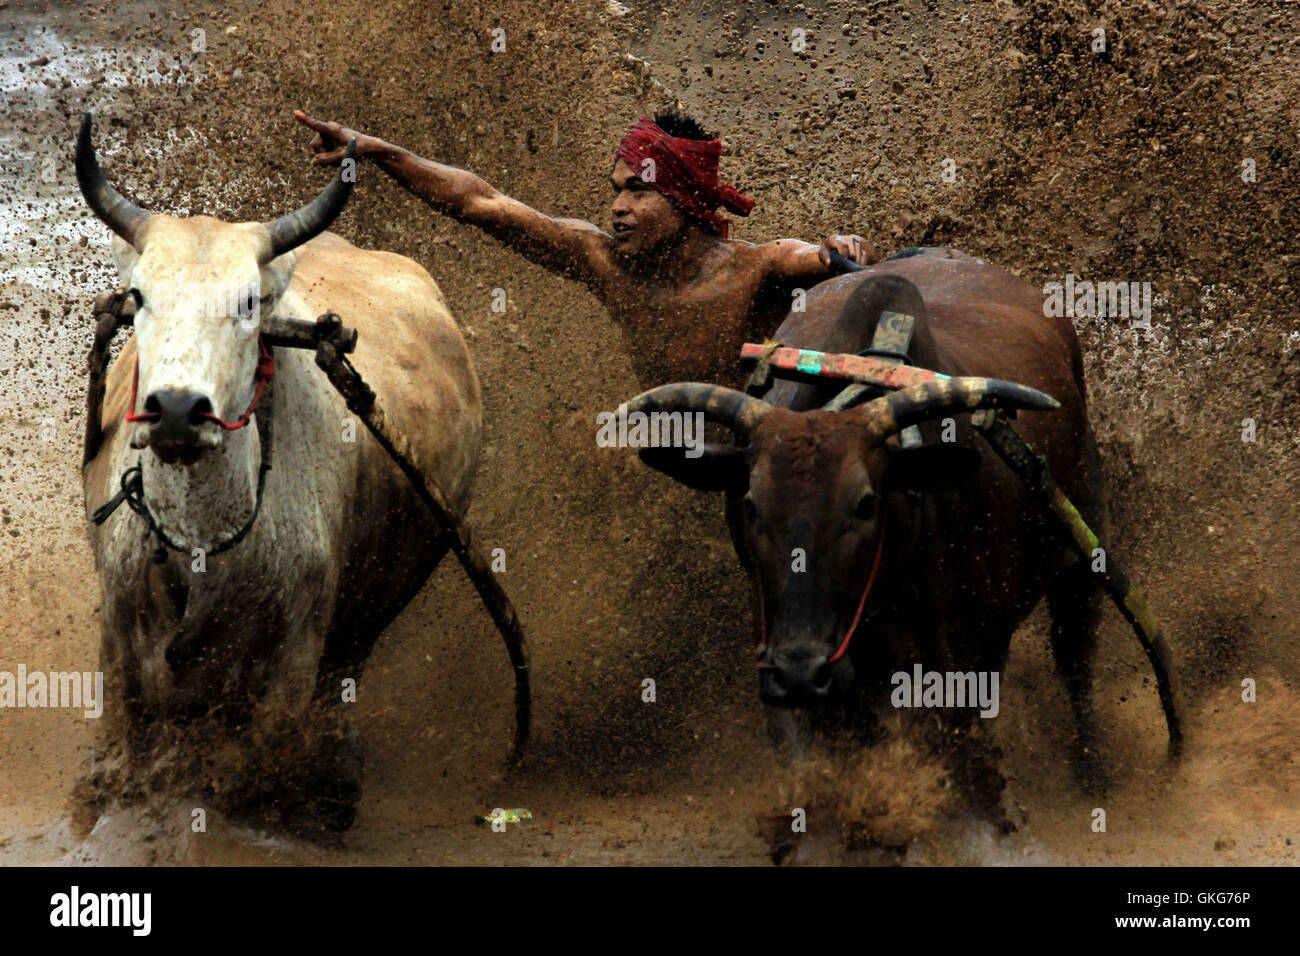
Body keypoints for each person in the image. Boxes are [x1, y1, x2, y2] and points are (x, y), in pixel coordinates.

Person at [293, 108, 882, 385]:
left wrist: (838, 250)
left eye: (638, 193)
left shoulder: (760, 268)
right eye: (615, 191)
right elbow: (481, 203)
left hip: (770, 453)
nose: (618, 209)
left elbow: (823, 259)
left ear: (685, 205)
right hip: (669, 452)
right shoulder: (600, 260)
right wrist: (376, 149)